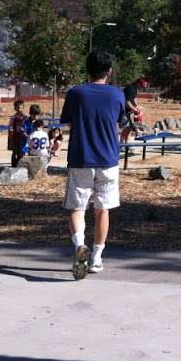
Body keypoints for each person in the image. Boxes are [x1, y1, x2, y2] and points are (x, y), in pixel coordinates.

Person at [60, 50, 126, 280]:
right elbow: (119, 122)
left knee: (77, 208)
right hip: (108, 159)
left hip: (81, 157)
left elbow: (67, 122)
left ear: (87, 69)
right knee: (102, 209)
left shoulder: (75, 93)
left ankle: (80, 245)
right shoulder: (118, 95)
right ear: (109, 71)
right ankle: (97, 257)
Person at [119, 76, 147, 142]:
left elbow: (134, 98)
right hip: (124, 110)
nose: (141, 88)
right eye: (141, 86)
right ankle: (122, 143)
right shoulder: (130, 88)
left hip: (129, 111)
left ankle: (126, 143)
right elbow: (126, 101)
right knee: (126, 127)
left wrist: (136, 106)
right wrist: (133, 109)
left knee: (129, 128)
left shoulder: (135, 89)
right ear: (137, 83)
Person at [7, 100, 29, 167]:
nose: (19, 109)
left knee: (22, 153)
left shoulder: (26, 118)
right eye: (17, 108)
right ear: (15, 108)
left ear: (23, 107)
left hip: (23, 138)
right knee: (14, 153)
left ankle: (20, 166)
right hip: (14, 138)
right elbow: (10, 128)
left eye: (20, 107)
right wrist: (10, 138)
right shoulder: (13, 118)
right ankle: (13, 166)